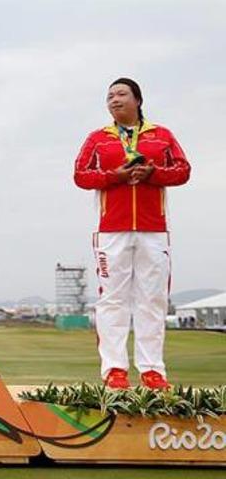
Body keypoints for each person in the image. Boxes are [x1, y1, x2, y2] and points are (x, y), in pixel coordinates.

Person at [74, 77, 190, 390]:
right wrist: (115, 176)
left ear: (137, 99)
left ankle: (153, 371)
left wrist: (154, 173)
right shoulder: (98, 138)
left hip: (154, 230)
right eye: (109, 95)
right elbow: (80, 176)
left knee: (152, 300)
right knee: (113, 300)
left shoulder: (161, 135)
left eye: (121, 94)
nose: (114, 99)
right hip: (112, 230)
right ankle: (114, 370)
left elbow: (183, 170)